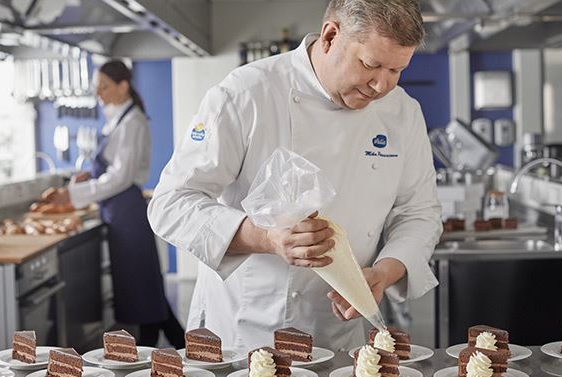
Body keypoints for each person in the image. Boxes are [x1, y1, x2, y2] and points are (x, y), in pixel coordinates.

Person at [148, 0, 442, 352]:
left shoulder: (403, 113)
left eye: (396, 70)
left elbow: (419, 213)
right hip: (244, 333)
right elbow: (170, 204)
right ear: (330, 36)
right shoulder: (247, 93)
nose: (381, 85)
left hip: (336, 334)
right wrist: (266, 238)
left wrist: (383, 273)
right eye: (370, 65)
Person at [49, 60, 185, 348]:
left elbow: (121, 177)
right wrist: (90, 175)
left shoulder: (132, 121)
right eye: (97, 87)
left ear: (123, 86)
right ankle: (180, 350)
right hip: (117, 212)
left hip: (127, 213)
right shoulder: (119, 118)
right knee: (147, 293)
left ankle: (154, 352)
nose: (98, 93)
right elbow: (114, 168)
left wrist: (74, 194)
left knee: (144, 291)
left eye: (104, 86)